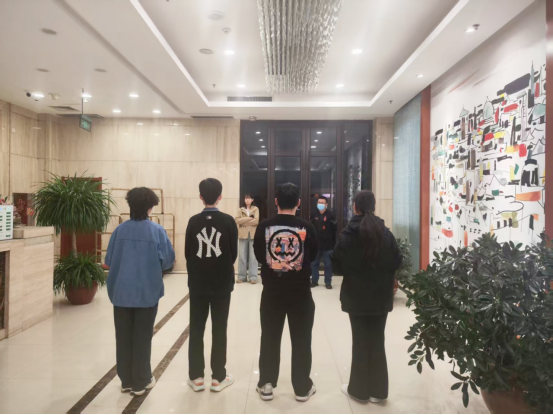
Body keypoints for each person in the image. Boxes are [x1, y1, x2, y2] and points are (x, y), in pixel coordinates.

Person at [332, 190, 402, 404]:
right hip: (381, 297)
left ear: (355, 207)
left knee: (360, 340)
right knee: (377, 341)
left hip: (356, 296)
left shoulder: (348, 234)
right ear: (374, 206)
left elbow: (336, 265)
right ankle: (379, 392)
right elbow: (397, 260)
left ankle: (359, 390)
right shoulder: (385, 232)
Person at [105, 187, 175, 397]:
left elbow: (108, 260)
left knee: (123, 337)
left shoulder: (119, 231)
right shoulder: (157, 231)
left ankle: (126, 380)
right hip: (147, 293)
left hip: (121, 293)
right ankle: (141, 381)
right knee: (143, 337)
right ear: (150, 207)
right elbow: (168, 260)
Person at [253, 183, 319, 403]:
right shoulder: (307, 227)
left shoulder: (264, 226)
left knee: (270, 337)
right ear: (298, 203)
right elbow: (312, 255)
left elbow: (260, 256)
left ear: (276, 202)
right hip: (301, 294)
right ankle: (301, 388)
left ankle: (266, 384)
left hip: (272, 293)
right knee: (302, 340)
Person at [185, 178, 238, 393]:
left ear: (200, 196)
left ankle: (196, 377)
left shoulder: (193, 222)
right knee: (219, 328)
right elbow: (233, 253)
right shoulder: (228, 221)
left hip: (198, 283)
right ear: (220, 196)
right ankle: (218, 377)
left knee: (196, 328)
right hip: (221, 283)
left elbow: (188, 253)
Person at [310, 196, 336, 290]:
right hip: (316, 244)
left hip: (328, 245)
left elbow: (334, 229)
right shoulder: (314, 214)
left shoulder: (331, 215)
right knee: (314, 264)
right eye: (319, 202)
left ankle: (328, 282)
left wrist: (333, 243)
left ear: (326, 204)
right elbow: (311, 227)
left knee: (328, 265)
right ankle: (314, 281)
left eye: (322, 202)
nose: (320, 204)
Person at [235, 194, 260, 284]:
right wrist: (249, 218)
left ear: (252, 199)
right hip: (242, 235)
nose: (247, 200)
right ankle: (241, 277)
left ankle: (253, 277)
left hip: (252, 235)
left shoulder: (255, 209)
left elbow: (256, 221)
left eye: (249, 198)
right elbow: (237, 221)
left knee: (253, 257)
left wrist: (244, 222)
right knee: (242, 256)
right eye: (246, 198)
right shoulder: (240, 210)